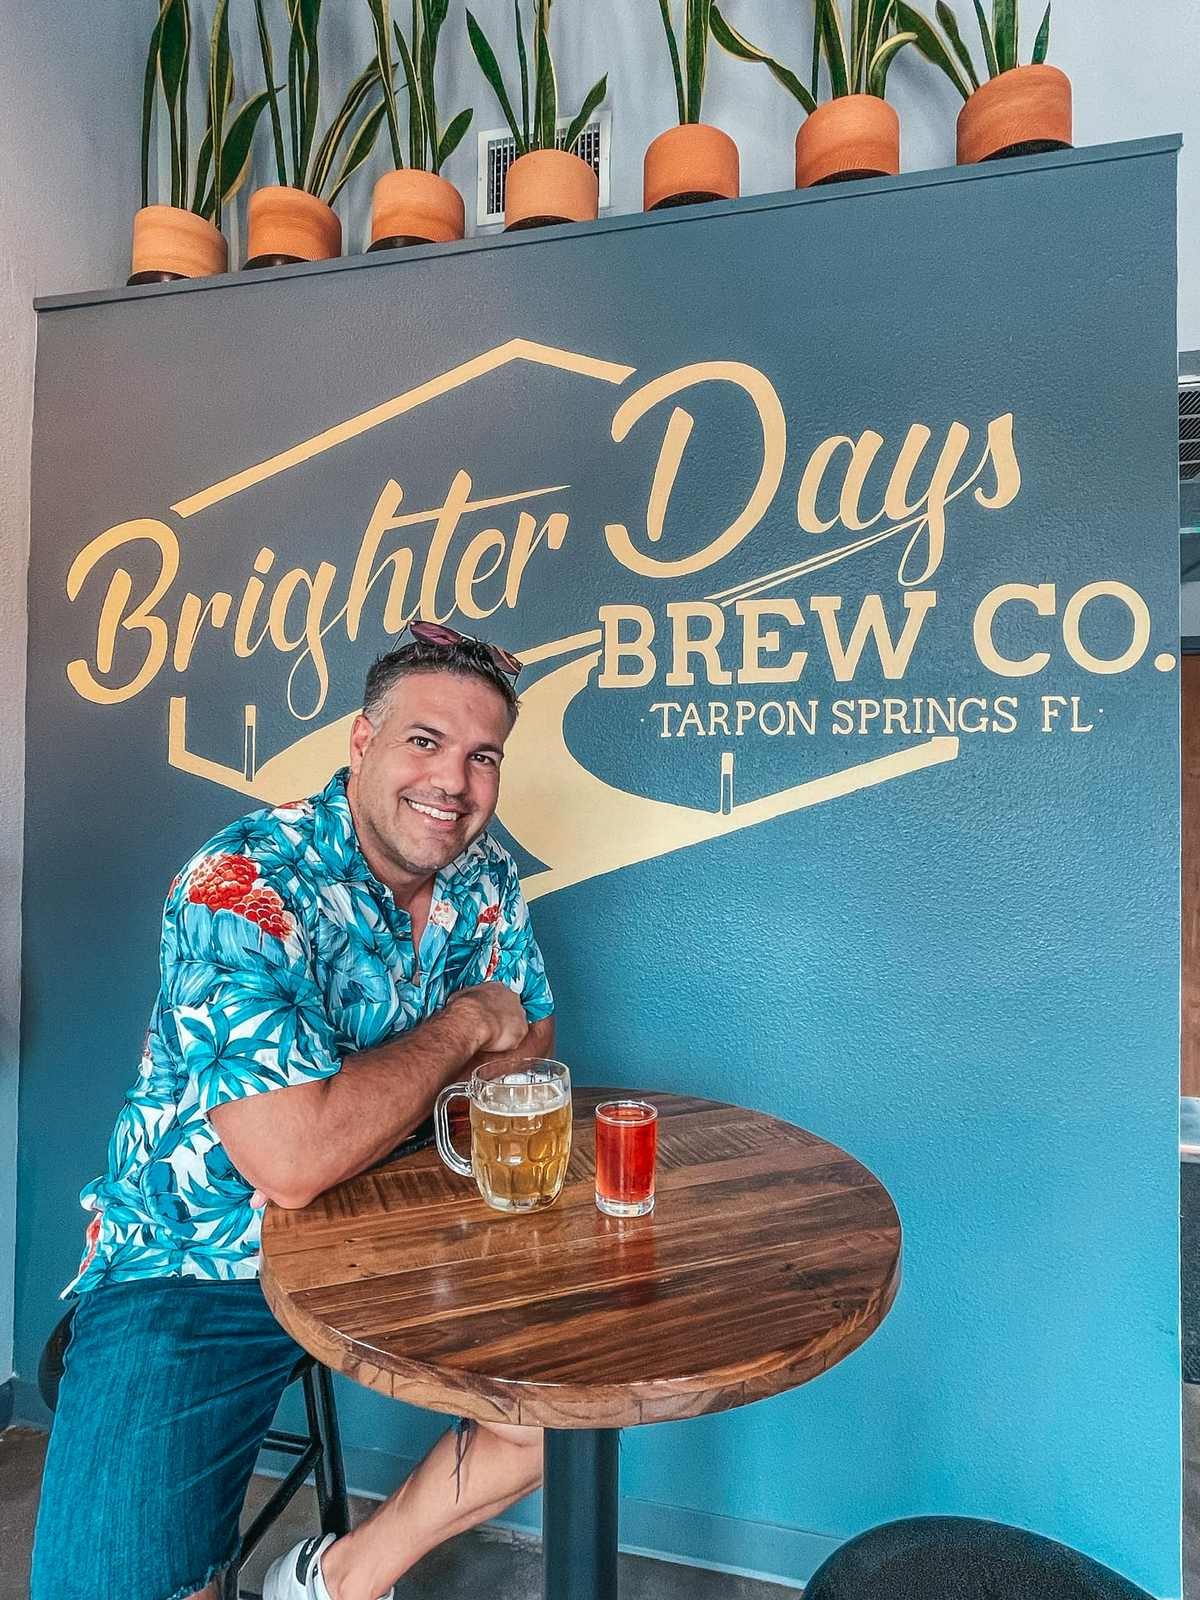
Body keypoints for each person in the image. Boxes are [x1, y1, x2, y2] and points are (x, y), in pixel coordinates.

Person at [31, 623, 556, 1600]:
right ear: (362, 744)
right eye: (424, 740)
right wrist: (463, 1021)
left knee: (564, 1401)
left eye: (483, 755)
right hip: (200, 1259)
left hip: (405, 1219)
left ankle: (337, 1577)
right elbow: (292, 1159)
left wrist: (399, 1082)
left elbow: (528, 1059)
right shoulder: (241, 884)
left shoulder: (485, 879)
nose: (454, 780)